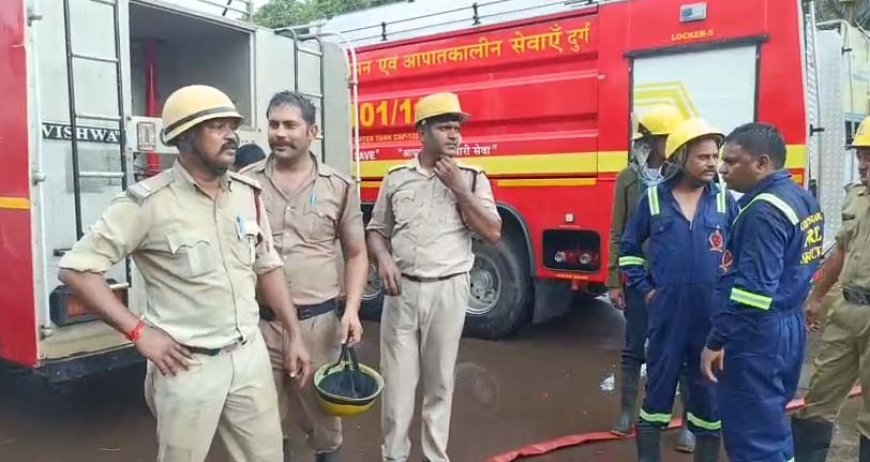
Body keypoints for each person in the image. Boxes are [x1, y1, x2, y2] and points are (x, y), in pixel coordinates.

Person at [56, 84, 311, 462]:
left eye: (232, 126)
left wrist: (293, 333)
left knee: (268, 456)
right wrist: (139, 332)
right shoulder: (147, 203)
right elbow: (77, 270)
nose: (231, 136)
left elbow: (267, 266)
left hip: (249, 356)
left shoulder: (248, 194)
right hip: (187, 365)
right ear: (184, 137)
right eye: (217, 127)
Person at [366, 92, 502, 462]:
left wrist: (459, 189)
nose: (454, 135)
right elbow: (377, 230)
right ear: (421, 132)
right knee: (396, 387)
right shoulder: (396, 178)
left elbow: (492, 232)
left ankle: (434, 456)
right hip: (402, 293)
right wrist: (383, 259)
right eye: (444, 127)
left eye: (457, 128)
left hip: (449, 290)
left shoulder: (472, 178)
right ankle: (394, 456)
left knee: (440, 384)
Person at [240, 91, 368, 462]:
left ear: (312, 131)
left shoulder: (338, 187)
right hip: (258, 325)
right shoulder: (243, 184)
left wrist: (352, 310)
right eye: (274, 124)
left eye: (290, 125)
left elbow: (357, 253)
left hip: (318, 326)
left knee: (324, 425)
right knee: (259, 424)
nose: (280, 133)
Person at [701, 122, 824, 462]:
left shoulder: (762, 212)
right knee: (770, 426)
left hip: (757, 336)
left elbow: (752, 294)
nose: (721, 169)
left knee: (753, 438)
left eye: (731, 161)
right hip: (786, 328)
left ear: (762, 163)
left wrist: (716, 341)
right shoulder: (801, 198)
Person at [619, 117, 737, 462]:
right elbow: (628, 248)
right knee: (656, 398)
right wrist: (646, 289)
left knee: (708, 402)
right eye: (703, 157)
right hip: (667, 316)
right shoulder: (653, 200)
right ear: (681, 157)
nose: (712, 163)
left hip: (709, 319)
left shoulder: (725, 201)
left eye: (715, 156)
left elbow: (739, 255)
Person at [608, 104, 696, 453]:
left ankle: (687, 424)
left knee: (685, 352)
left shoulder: (687, 178)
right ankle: (626, 413)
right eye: (663, 139)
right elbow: (618, 231)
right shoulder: (628, 179)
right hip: (640, 281)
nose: (669, 145)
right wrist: (614, 280)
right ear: (649, 141)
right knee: (634, 348)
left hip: (678, 281)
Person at [791, 116, 870, 462]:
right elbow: (840, 249)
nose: (863, 164)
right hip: (847, 307)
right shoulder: (856, 196)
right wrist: (818, 296)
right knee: (819, 399)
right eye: (861, 155)